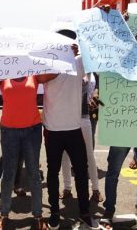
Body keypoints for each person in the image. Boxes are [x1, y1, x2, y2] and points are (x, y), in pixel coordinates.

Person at [99, 29, 137, 228]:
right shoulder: (116, 65)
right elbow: (105, 86)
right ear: (134, 42)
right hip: (122, 127)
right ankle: (109, 210)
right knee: (113, 171)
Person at [42, 31, 99, 229]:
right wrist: (59, 60)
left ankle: (84, 212)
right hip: (53, 128)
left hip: (74, 127)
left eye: (70, 43)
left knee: (81, 172)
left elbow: (100, 53)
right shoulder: (47, 61)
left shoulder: (79, 61)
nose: (67, 46)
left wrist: (107, 17)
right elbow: (41, 78)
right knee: (52, 172)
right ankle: (55, 212)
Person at [0, 74, 45, 230]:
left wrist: (67, 57)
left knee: (34, 174)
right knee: (8, 174)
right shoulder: (3, 74)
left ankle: (38, 214)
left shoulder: (34, 74)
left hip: (32, 130)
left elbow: (52, 74)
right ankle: (4, 214)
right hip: (9, 130)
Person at [59, 43, 103, 203]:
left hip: (84, 118)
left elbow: (99, 92)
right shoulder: (67, 67)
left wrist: (97, 99)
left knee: (89, 155)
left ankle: (96, 189)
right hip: (66, 118)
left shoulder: (95, 73)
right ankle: (67, 187)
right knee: (65, 155)